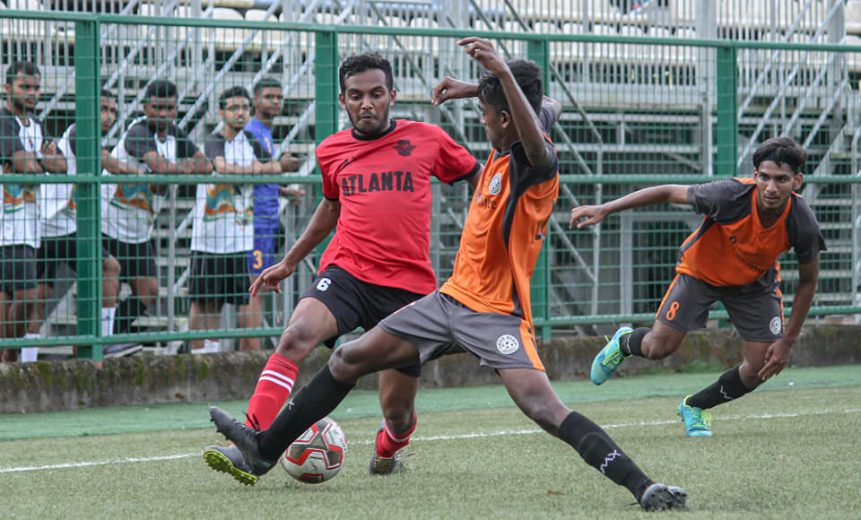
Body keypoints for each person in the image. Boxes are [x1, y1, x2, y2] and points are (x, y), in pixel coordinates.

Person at [205, 39, 687, 512]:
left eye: (485, 113)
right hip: (447, 302)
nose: (480, 121)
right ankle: (263, 450)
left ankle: (642, 486)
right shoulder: (506, 135)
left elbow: (535, 133)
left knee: (544, 409)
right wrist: (475, 88)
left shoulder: (533, 164)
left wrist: (497, 74)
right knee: (348, 358)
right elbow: (546, 104)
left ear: (504, 119)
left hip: (496, 315)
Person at [205, 52, 481, 476]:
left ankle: (387, 451)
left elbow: (480, 180)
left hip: (408, 289)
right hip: (347, 271)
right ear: (343, 99)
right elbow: (330, 208)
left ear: (392, 95)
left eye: (375, 94)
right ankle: (247, 441)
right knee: (295, 336)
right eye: (356, 96)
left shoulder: (428, 139)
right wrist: (289, 262)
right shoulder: (332, 150)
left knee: (399, 413)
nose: (366, 103)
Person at [569, 136, 825, 438]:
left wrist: (788, 341)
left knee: (760, 368)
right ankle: (625, 342)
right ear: (755, 175)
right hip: (700, 274)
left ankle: (695, 406)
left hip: (754, 284)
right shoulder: (729, 195)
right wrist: (606, 208)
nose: (771, 188)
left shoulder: (802, 221)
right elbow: (666, 192)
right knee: (657, 348)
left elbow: (809, 282)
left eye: (781, 180)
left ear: (797, 181)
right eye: (765, 177)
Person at [32, 88, 139, 357]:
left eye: (113, 110)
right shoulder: (81, 132)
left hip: (52, 225)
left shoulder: (83, 134)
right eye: (103, 109)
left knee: (40, 293)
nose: (108, 116)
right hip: (56, 226)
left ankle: (26, 358)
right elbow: (111, 164)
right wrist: (135, 171)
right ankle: (104, 341)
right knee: (109, 268)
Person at [102, 80, 213, 336]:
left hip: (138, 230)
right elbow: (160, 169)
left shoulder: (175, 134)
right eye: (157, 108)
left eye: (169, 108)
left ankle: (111, 337)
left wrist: (179, 168)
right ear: (145, 107)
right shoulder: (138, 132)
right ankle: (100, 343)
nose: (163, 114)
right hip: (108, 223)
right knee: (109, 288)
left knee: (149, 292)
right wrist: (183, 168)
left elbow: (206, 165)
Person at [188, 87, 294, 354]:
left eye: (245, 108)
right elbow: (223, 168)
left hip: (239, 236)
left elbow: (274, 168)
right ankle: (202, 355)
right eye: (234, 108)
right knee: (205, 301)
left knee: (236, 296)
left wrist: (261, 171)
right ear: (222, 112)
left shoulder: (251, 139)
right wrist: (257, 171)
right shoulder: (214, 140)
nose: (240, 113)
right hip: (210, 236)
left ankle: (219, 353)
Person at [0, 61, 67, 363]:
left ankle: (7, 362)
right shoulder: (3, 121)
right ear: (7, 88)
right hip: (7, 225)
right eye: (24, 87)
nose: (32, 93)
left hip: (27, 225)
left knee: (9, 298)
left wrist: (32, 159)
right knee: (26, 296)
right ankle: (9, 357)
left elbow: (63, 166)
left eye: (36, 88)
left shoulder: (37, 124)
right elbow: (27, 167)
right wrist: (41, 160)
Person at [241, 77, 303, 352]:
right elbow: (253, 171)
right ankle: (252, 354)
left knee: (261, 284)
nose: (275, 102)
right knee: (256, 285)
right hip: (254, 221)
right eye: (269, 97)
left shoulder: (264, 132)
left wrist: (282, 190)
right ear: (255, 101)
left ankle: (248, 352)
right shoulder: (250, 131)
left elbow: (261, 175)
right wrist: (281, 167)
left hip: (267, 219)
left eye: (279, 97)